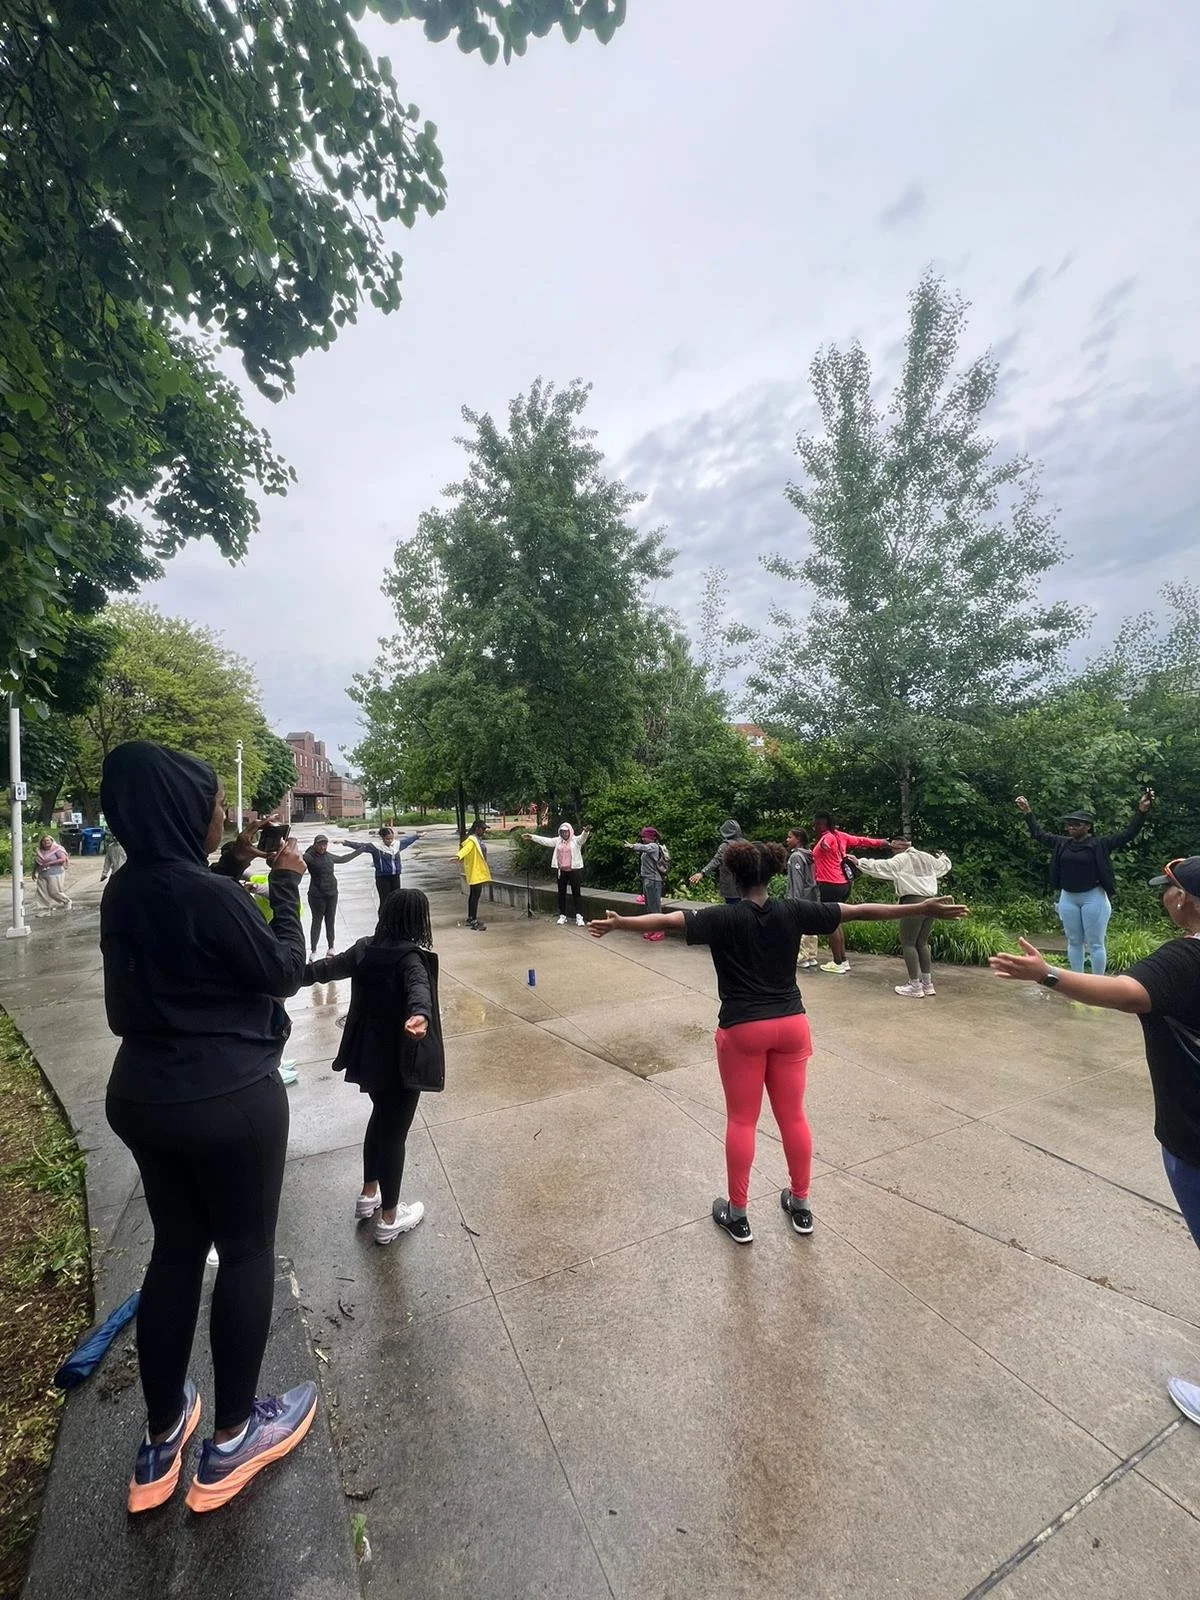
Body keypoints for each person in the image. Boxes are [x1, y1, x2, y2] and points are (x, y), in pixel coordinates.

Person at [99, 741, 316, 1515]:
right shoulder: (209, 897)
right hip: (229, 1099)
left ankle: (162, 1440)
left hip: (144, 1098)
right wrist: (284, 886)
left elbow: (181, 915)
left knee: (176, 1250)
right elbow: (284, 972)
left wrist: (231, 864)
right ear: (183, 810)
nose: (224, 813)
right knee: (247, 1250)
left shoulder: (125, 892)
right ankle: (233, 1439)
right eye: (217, 803)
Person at [589, 839, 968, 1244]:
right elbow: (858, 911)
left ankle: (738, 1215)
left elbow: (667, 920)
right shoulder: (794, 910)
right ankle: (801, 1206)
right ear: (771, 874)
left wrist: (620, 923)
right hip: (791, 1024)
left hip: (743, 1029)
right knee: (793, 1118)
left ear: (733, 877)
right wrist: (922, 908)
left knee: (741, 1121)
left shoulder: (720, 917)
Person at [989, 853, 1200, 1426]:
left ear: (1183, 900)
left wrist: (1046, 975)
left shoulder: (1186, 958)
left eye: (1168, 889)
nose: (1165, 896)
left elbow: (1128, 993)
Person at [304, 888, 443, 1243]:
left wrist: (287, 975)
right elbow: (419, 990)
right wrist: (420, 1015)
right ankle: (390, 1218)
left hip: (368, 1057)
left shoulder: (364, 948)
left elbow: (326, 968)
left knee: (380, 1118)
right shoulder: (410, 959)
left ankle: (369, 1194)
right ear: (417, 920)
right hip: (400, 1062)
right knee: (394, 1133)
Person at [1016, 790, 1153, 975]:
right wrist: (1027, 812)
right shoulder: (1062, 843)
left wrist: (1142, 811)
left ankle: (1099, 982)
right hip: (1068, 898)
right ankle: (1077, 980)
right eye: (1069, 824)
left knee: (1096, 943)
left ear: (1088, 826)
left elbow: (1128, 834)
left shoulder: (1100, 844)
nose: (1071, 827)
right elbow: (1038, 834)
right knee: (1074, 941)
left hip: (1093, 897)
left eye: (1076, 824)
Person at [849, 836, 953, 998]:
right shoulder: (927, 857)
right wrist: (944, 857)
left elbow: (881, 867)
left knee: (908, 943)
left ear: (898, 848)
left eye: (893, 848)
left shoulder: (901, 859)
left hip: (913, 902)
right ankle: (927, 984)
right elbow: (943, 866)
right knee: (922, 943)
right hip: (931, 903)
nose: (892, 851)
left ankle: (915, 985)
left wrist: (859, 862)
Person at [811, 812, 889, 974]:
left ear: (822, 824)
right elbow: (862, 840)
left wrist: (824, 845)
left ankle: (837, 962)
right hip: (843, 884)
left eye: (817, 824)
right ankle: (843, 960)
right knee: (836, 921)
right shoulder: (842, 836)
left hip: (830, 884)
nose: (815, 826)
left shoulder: (827, 837)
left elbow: (826, 843)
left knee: (830, 923)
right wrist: (881, 842)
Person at [302, 834, 359, 956]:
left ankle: (331, 947)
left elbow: (343, 859)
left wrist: (361, 850)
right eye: (320, 845)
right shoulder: (309, 857)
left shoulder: (328, 856)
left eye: (325, 845)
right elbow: (296, 859)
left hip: (332, 893)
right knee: (317, 921)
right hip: (317, 895)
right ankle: (313, 950)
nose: (323, 847)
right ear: (314, 845)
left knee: (330, 920)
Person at [528, 821, 592, 926]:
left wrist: (585, 832)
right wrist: (532, 837)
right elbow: (546, 841)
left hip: (574, 871)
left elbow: (582, 838)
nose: (564, 834)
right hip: (561, 871)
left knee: (576, 893)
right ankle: (562, 915)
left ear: (570, 831)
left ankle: (579, 916)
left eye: (566, 832)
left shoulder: (576, 840)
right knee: (561, 893)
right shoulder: (558, 841)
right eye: (562, 832)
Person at [343, 825, 419, 910]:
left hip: (395, 876)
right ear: (382, 838)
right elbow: (359, 846)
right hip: (382, 877)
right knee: (385, 900)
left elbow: (407, 841)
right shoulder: (376, 847)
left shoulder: (396, 845)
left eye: (391, 838)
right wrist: (345, 842)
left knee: (397, 899)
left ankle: (395, 917)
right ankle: (382, 917)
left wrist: (417, 836)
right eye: (387, 839)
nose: (390, 841)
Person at [625, 827, 671, 940]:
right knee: (649, 907)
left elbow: (644, 847)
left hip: (654, 880)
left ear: (652, 837)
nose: (643, 839)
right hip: (647, 880)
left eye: (645, 837)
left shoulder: (653, 846)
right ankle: (652, 928)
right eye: (642, 837)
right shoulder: (648, 849)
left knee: (655, 907)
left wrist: (633, 846)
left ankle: (659, 930)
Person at [784, 828, 820, 970]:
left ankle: (801, 957)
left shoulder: (796, 856)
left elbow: (797, 881)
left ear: (798, 839)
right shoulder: (809, 854)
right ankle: (811, 955)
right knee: (811, 925)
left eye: (789, 837)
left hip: (800, 898)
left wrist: (795, 902)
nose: (787, 840)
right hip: (812, 895)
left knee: (798, 927)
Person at [689, 819, 744, 904]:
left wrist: (702, 873)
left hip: (731, 887)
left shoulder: (726, 846)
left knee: (732, 909)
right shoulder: (747, 844)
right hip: (747, 887)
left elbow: (715, 861)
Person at [457, 819, 492, 931]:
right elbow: (465, 850)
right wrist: (458, 856)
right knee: (475, 896)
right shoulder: (472, 840)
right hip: (475, 871)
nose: (484, 831)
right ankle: (473, 919)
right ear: (477, 828)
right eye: (483, 829)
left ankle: (471, 917)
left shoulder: (477, 839)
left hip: (478, 871)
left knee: (474, 895)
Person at [34, 834, 72, 913]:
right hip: (42, 873)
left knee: (54, 892)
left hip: (55, 873)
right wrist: (34, 872)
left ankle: (66, 901)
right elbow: (37, 862)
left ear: (52, 841)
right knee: (42, 892)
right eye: (44, 841)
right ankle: (44, 908)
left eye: (48, 840)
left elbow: (62, 859)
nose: (46, 842)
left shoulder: (57, 849)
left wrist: (50, 863)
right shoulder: (39, 850)